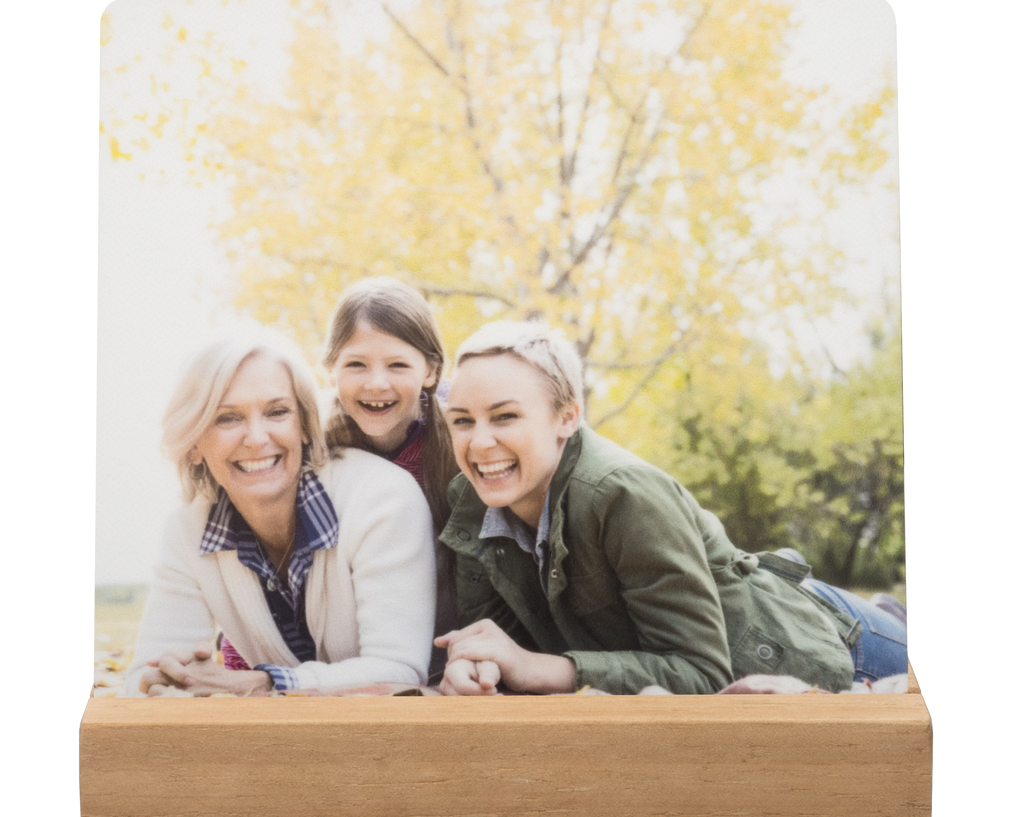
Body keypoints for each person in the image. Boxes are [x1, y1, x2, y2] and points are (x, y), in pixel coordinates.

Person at [434, 321, 908, 696]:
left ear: (567, 417)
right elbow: (500, 642)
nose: (479, 443)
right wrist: (479, 670)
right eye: (462, 421)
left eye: (505, 416)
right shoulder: (473, 499)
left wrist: (539, 669)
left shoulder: (623, 495)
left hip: (837, 649)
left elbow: (701, 673)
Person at [125, 328, 436, 697]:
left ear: (304, 426)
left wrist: (267, 683)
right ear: (192, 443)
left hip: (420, 736)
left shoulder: (381, 497)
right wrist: (166, 684)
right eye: (228, 418)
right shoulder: (186, 531)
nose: (257, 438)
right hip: (283, 744)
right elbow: (148, 675)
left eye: (277, 412)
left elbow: (400, 671)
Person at [320, 276, 460, 679]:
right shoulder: (316, 449)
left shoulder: (460, 437)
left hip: (448, 639)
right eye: (356, 364)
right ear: (331, 369)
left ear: (431, 370)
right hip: (354, 650)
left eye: (398, 364)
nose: (376, 383)